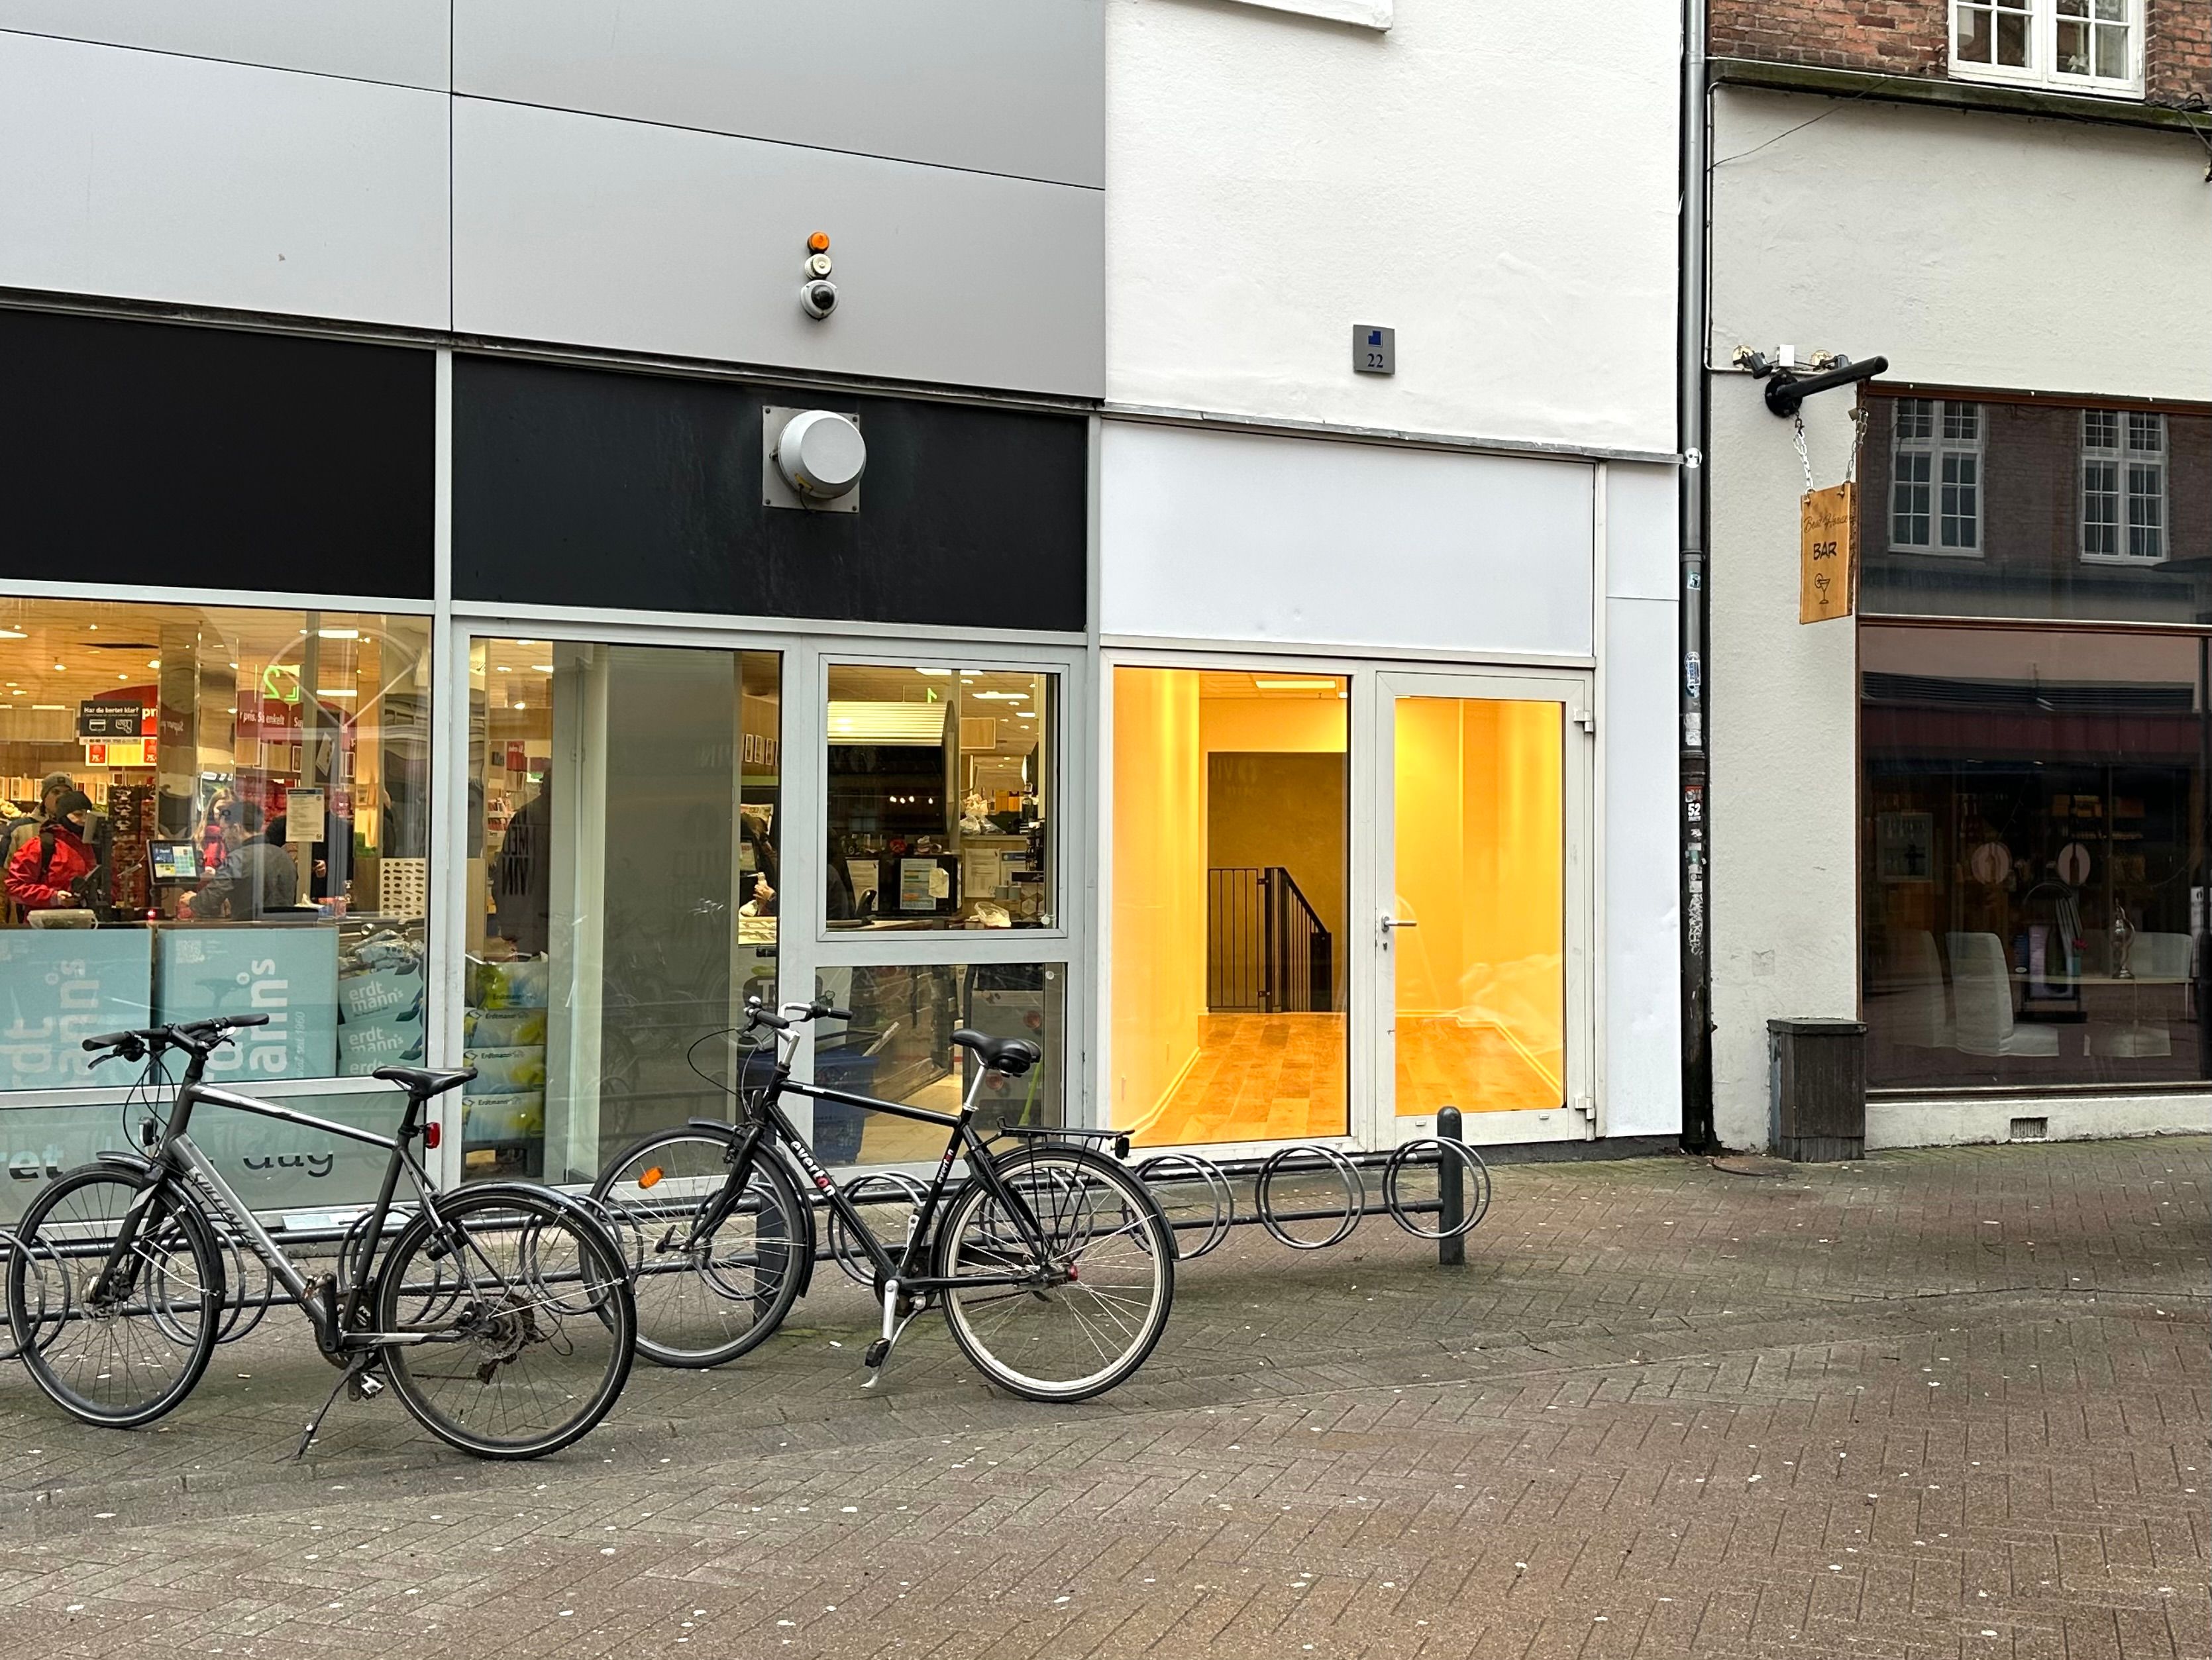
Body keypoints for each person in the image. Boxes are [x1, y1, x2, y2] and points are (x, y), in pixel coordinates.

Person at [184, 805, 300, 919]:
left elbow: (207, 903)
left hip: (247, 933)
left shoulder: (236, 859)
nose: (223, 838)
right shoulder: (284, 857)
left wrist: (193, 900)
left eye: (224, 831)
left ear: (236, 828)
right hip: (283, 934)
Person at [5, 788, 100, 913]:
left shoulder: (96, 847)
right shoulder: (40, 846)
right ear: (63, 815)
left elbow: (113, 884)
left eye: (88, 815)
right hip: (45, 926)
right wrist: (53, 897)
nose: (84, 820)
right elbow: (14, 887)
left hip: (89, 924)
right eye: (78, 814)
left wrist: (97, 896)